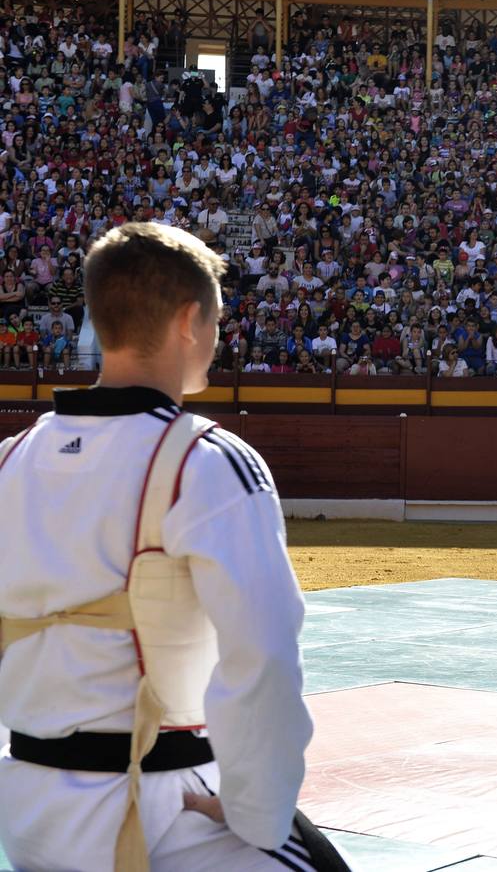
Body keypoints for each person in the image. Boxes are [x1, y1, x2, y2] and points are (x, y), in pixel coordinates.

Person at [0, 224, 347, 870]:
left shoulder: (10, 462)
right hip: (150, 809)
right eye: (215, 320)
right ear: (190, 321)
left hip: (27, 811)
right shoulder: (205, 460)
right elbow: (264, 659)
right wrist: (255, 811)